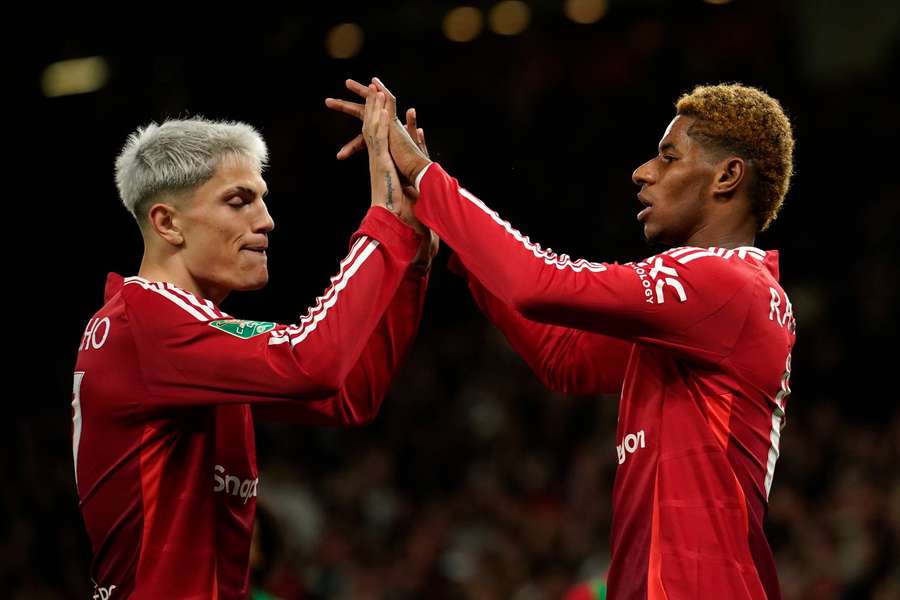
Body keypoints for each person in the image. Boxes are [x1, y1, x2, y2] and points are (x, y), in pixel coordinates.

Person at [329, 79, 796, 599]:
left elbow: (538, 283)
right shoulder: (712, 311)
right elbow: (564, 357)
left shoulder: (725, 284)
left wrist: (423, 173)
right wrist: (454, 242)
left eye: (668, 157)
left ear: (727, 176)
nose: (643, 172)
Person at [72, 91, 435, 599]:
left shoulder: (181, 335)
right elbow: (314, 363)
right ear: (167, 222)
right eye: (238, 201)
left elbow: (352, 394)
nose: (266, 221)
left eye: (262, 200)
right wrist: (384, 223)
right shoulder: (146, 322)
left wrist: (412, 260)